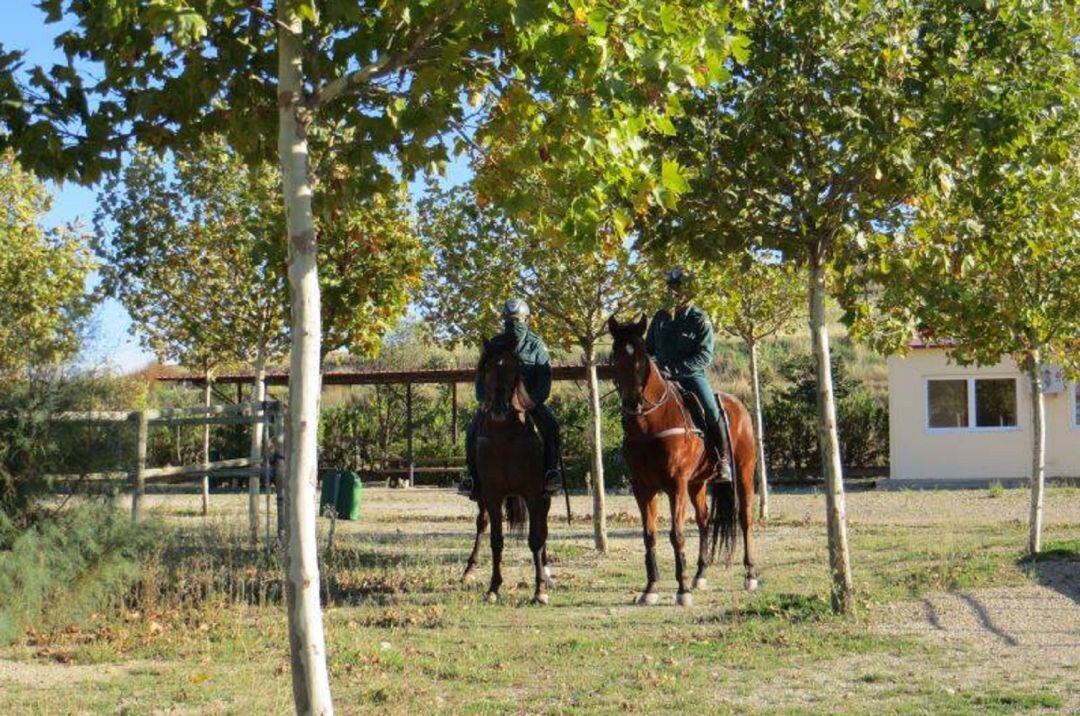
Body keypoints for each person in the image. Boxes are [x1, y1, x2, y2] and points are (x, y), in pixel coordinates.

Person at [462, 299, 561, 500]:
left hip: (529, 403)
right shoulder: (494, 344)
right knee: (472, 430)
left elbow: (545, 376)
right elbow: (481, 375)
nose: (513, 324)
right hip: (496, 402)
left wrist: (536, 399)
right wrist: (483, 399)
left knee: (552, 426)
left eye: (517, 319)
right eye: (509, 319)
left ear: (526, 319)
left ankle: (550, 473)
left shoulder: (536, 345)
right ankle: (473, 479)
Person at [645, 268, 733, 481]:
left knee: (711, 410)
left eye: (681, 288)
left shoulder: (699, 319)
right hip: (661, 377)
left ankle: (722, 460)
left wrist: (674, 370)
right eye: (673, 287)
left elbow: (704, 356)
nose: (676, 292)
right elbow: (648, 348)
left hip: (690, 376)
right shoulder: (660, 317)